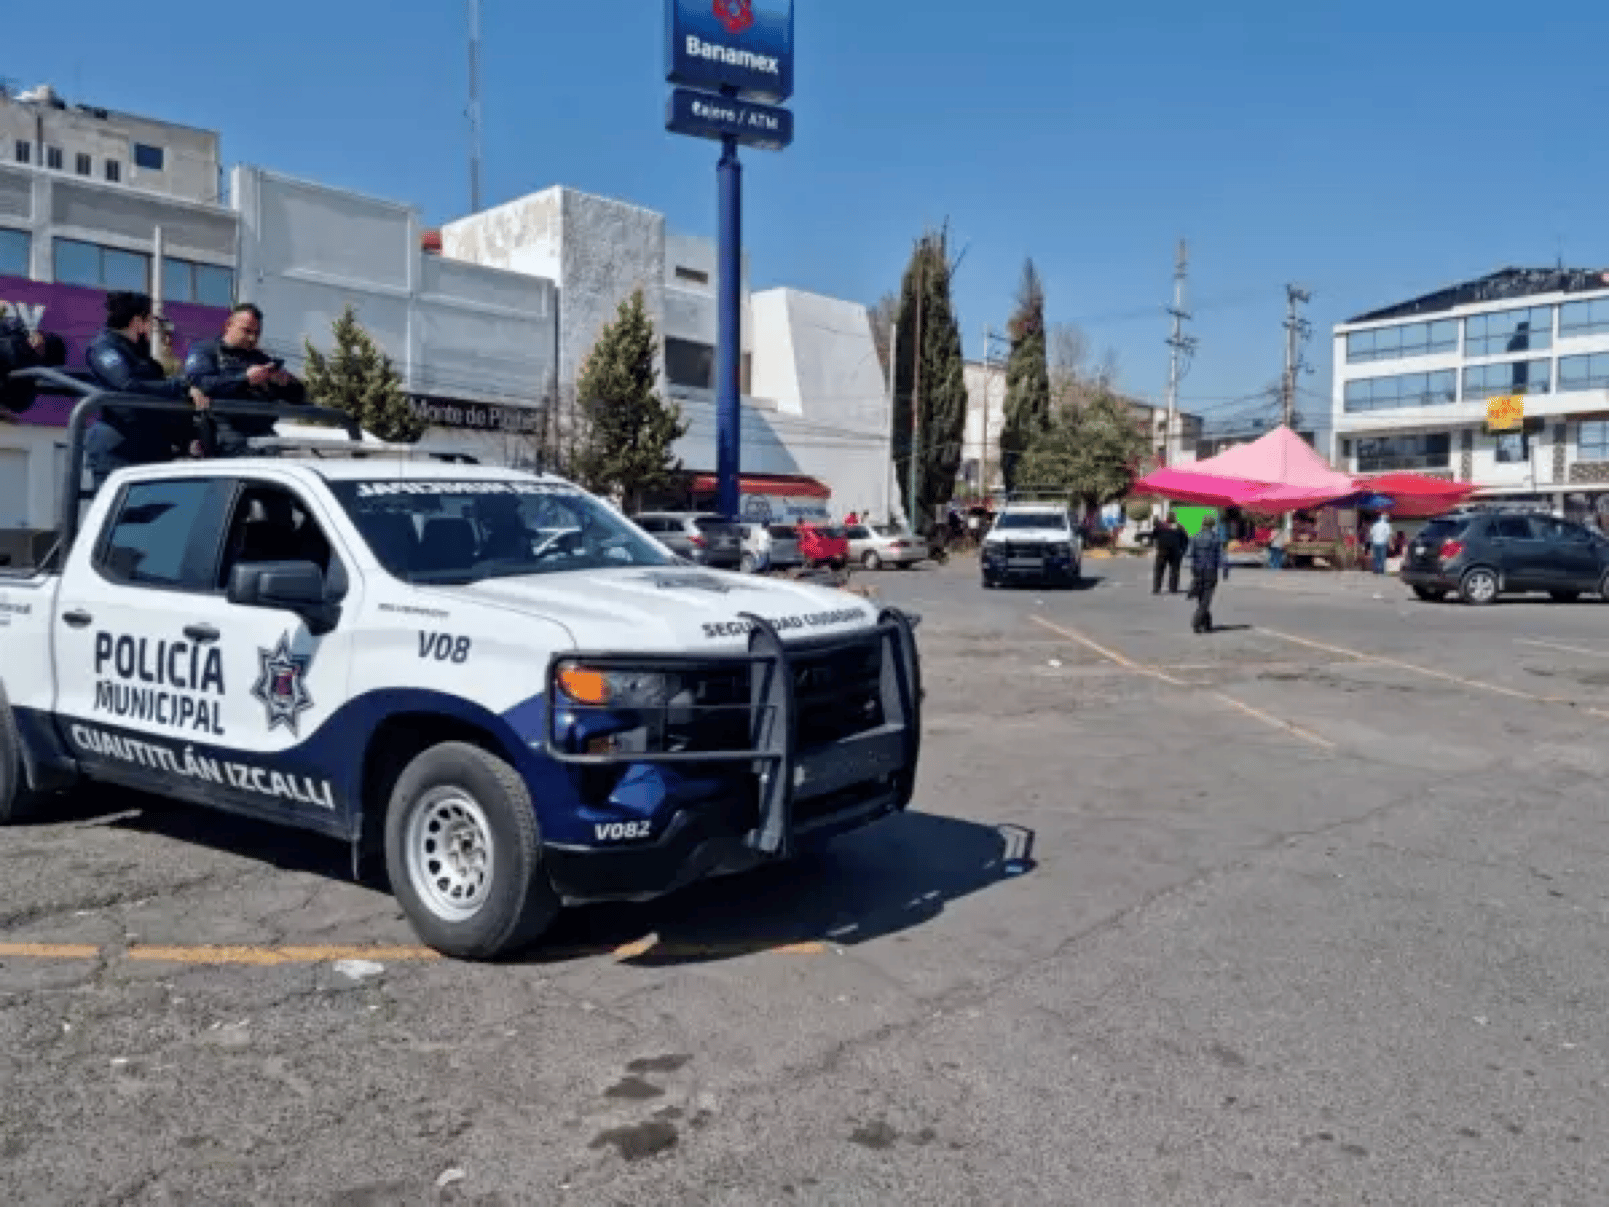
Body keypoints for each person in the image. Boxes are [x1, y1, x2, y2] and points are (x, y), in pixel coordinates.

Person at [84, 291, 211, 491]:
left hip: (148, 445)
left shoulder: (138, 351)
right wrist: (179, 385)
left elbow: (156, 383)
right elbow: (127, 383)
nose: (153, 325)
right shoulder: (104, 348)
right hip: (119, 448)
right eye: (150, 319)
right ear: (137, 321)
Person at [184, 303, 307, 457]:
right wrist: (244, 379)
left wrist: (286, 383)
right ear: (228, 325)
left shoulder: (260, 358)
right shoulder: (206, 350)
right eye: (246, 331)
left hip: (263, 431)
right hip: (225, 430)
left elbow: (300, 397)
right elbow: (201, 382)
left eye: (257, 333)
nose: (252, 338)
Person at [1187, 515, 1227, 634]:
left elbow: (1190, 554)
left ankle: (1207, 623)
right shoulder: (1215, 538)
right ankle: (1197, 621)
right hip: (1211, 570)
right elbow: (1221, 556)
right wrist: (1225, 570)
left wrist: (1192, 567)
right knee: (1207, 598)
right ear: (1212, 525)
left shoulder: (1195, 536)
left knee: (1201, 597)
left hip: (1198, 569)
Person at [1151, 514, 1188, 594]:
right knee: (1174, 571)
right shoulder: (1179, 528)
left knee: (1159, 570)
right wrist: (1183, 550)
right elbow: (1185, 540)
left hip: (1162, 552)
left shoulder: (1160, 527)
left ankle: (1156, 588)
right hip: (1175, 552)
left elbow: (1153, 536)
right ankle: (1173, 588)